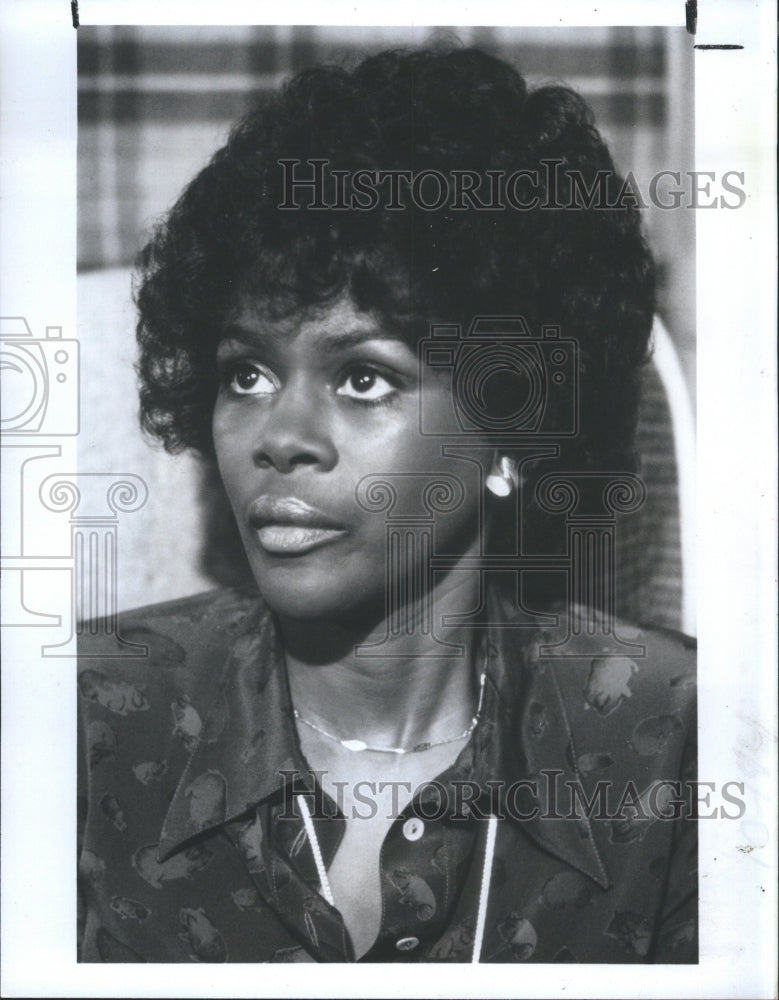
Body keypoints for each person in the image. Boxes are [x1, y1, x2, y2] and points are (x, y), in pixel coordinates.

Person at [77, 45, 697, 963]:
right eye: (246, 373)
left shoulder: (677, 741)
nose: (279, 436)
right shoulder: (82, 720)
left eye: (363, 378)